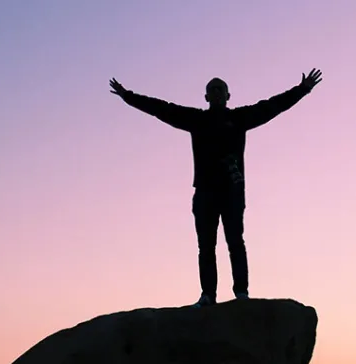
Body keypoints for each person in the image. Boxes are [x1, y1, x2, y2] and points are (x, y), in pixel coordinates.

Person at [109, 69, 323, 307]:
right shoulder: (197, 120)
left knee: (235, 242)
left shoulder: (240, 118)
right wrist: (128, 96)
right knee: (206, 246)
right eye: (212, 89)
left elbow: (271, 107)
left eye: (220, 88)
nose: (217, 92)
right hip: (205, 192)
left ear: (228, 95)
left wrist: (302, 90)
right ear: (206, 97)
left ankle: (241, 293)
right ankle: (208, 295)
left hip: (232, 190)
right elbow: (162, 109)